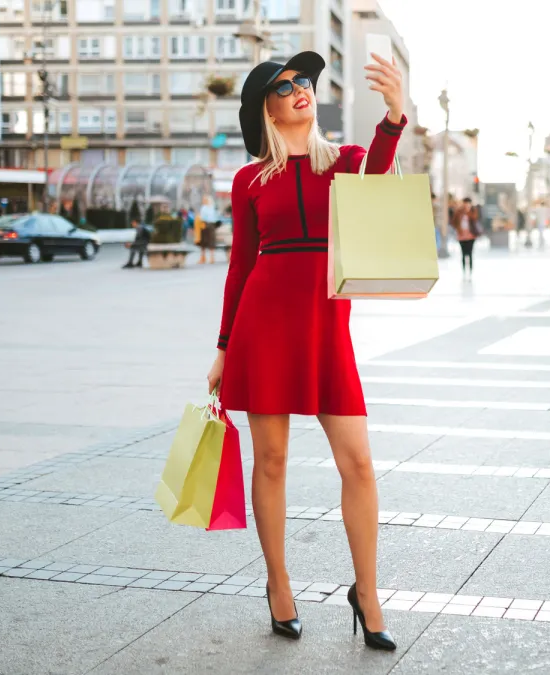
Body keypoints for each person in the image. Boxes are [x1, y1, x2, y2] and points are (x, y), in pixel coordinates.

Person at [206, 50, 403, 651]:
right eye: (284, 85)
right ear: (264, 106)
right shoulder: (248, 181)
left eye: (304, 82)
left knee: (359, 464)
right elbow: (240, 268)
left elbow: (378, 189)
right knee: (270, 463)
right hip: (262, 328)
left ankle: (366, 593)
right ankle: (278, 585)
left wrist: (395, 114)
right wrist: (221, 348)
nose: (299, 90)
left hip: (326, 329)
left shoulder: (345, 161)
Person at [455, 197, 479, 278]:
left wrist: (468, 212)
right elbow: (454, 221)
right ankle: (464, 271)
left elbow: (475, 218)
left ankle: (471, 271)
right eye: (465, 203)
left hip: (471, 235)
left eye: (468, 203)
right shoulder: (459, 211)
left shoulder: (473, 211)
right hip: (461, 235)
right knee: (463, 254)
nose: (466, 205)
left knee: (470, 254)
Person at [197, 195, 220, 264]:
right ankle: (212, 258)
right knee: (211, 242)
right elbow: (216, 217)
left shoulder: (204, 208)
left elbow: (202, 217)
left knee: (203, 242)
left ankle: (203, 257)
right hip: (212, 226)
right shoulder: (212, 208)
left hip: (205, 225)